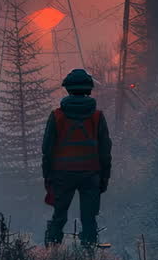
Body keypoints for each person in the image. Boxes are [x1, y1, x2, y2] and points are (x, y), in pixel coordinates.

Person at [42, 68, 112, 246]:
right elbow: (105, 151)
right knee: (89, 220)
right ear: (88, 90)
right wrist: (104, 178)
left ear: (68, 89)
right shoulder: (97, 117)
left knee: (59, 217)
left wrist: (47, 176)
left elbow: (47, 149)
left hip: (62, 174)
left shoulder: (56, 116)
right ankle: (89, 257)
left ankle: (52, 254)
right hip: (91, 175)